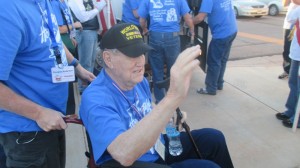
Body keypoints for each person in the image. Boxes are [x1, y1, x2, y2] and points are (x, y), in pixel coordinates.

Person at [80, 23, 234, 168]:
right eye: (133, 55)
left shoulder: (138, 80)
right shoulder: (95, 98)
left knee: (213, 139)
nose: (141, 62)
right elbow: (123, 153)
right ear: (108, 59)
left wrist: (168, 113)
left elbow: (147, 109)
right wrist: (172, 98)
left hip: (155, 147)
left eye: (141, 53)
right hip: (135, 161)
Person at [0, 0, 95, 167]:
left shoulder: (45, 3)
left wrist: (77, 66)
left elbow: (54, 38)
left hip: (52, 119)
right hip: (27, 131)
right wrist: (38, 113)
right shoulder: (7, 10)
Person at [138, 0, 195, 103]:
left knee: (157, 71)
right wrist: (192, 31)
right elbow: (187, 18)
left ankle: (159, 100)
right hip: (172, 37)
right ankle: (172, 99)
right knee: (173, 70)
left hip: (155, 36)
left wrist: (145, 29)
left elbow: (142, 20)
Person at [193, 0, 237, 95]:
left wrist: (189, 21)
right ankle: (218, 83)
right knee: (222, 59)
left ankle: (211, 88)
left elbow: (200, 17)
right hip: (232, 30)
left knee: (213, 61)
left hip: (222, 34)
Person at [50, 0, 83, 115]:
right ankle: (66, 113)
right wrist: (75, 25)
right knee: (63, 83)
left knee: (68, 83)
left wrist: (70, 37)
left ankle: (69, 113)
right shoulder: (53, 3)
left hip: (66, 53)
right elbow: (56, 30)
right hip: (57, 55)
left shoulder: (63, 3)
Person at [68, 0, 107, 93]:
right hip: (85, 31)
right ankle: (84, 88)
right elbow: (83, 17)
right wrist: (96, 10)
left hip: (91, 31)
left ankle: (88, 87)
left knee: (91, 61)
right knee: (86, 62)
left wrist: (98, 6)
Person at [275, 0, 300, 128]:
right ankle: (290, 111)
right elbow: (290, 18)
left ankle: (297, 118)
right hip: (296, 54)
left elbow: (291, 17)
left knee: (299, 87)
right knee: (293, 84)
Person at [278, 0, 295, 79]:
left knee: (296, 51)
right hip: (288, 25)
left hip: (297, 25)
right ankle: (287, 70)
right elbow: (284, 4)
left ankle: (295, 72)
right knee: (287, 50)